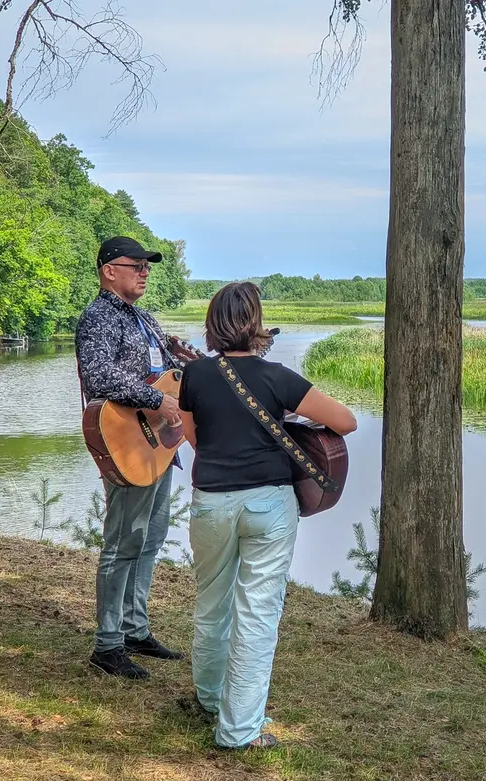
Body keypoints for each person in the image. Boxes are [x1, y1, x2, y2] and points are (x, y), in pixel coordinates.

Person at [177, 282, 356, 750]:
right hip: (269, 506)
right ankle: (239, 730)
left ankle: (209, 697)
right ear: (255, 323)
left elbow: (195, 440)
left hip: (211, 501)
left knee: (211, 602)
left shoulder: (194, 376)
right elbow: (346, 421)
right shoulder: (277, 377)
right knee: (257, 613)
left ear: (213, 324)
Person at [75, 236, 185, 680]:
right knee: (123, 543)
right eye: (135, 264)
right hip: (127, 444)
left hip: (156, 444)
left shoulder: (145, 320)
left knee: (151, 537)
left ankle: (135, 629)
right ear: (108, 270)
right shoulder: (99, 318)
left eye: (147, 265)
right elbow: (100, 374)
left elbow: (168, 372)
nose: (144, 270)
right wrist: (154, 401)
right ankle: (107, 645)